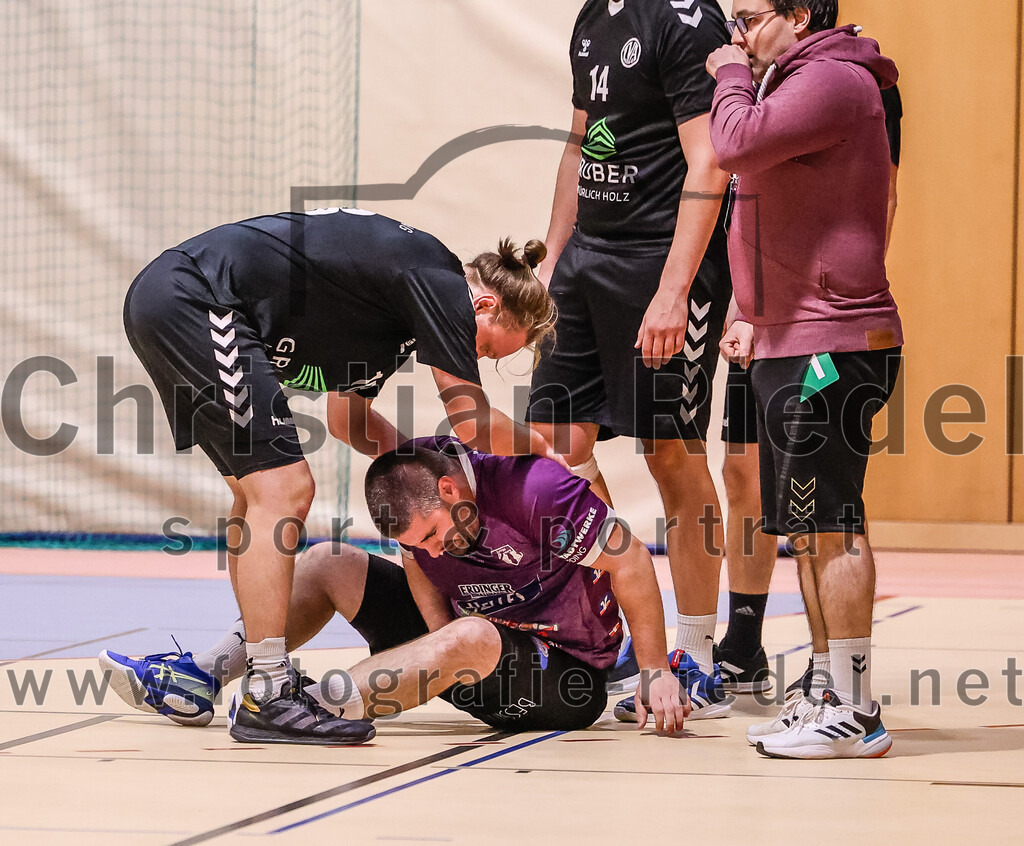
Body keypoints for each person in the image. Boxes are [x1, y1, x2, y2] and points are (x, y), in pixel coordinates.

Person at [116, 208, 559, 744]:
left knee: (254, 493)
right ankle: (269, 692)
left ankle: (212, 674)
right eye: (486, 345)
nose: (475, 356)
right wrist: (544, 453)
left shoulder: (393, 320)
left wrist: (428, 472)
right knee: (285, 488)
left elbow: (347, 420)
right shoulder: (440, 281)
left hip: (179, 301)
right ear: (485, 304)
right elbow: (472, 420)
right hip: (197, 297)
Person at [100, 437, 688, 739]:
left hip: (567, 674)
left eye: (433, 534)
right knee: (330, 559)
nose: (431, 551)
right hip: (466, 643)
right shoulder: (421, 512)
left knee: (475, 635)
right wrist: (435, 639)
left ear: (455, 493)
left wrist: (657, 671)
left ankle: (309, 705)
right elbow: (417, 564)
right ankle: (206, 673)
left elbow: (632, 561)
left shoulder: (535, 489)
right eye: (417, 544)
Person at [527, 0, 734, 721]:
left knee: (669, 454)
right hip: (588, 262)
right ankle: (628, 633)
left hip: (659, 264)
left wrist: (675, 289)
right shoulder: (592, 18)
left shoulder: (685, 21)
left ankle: (699, 656)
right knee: (556, 445)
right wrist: (553, 257)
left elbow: (711, 158)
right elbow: (580, 143)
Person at [706, 1, 903, 759]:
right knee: (809, 529)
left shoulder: (832, 80)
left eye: (750, 16)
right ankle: (828, 692)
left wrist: (727, 76)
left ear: (799, 12)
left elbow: (734, 145)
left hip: (838, 340)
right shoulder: (790, 80)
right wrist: (751, 310)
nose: (737, 33)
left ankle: (857, 712)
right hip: (788, 336)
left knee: (835, 520)